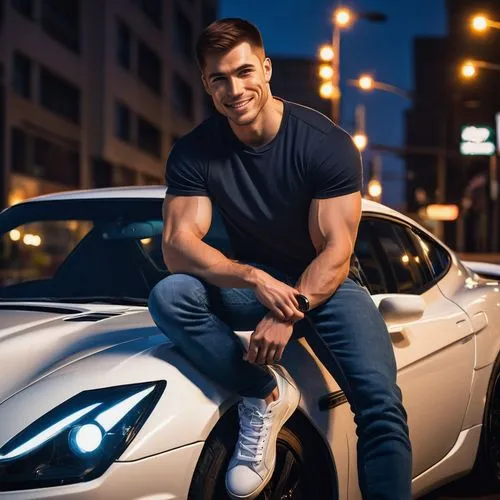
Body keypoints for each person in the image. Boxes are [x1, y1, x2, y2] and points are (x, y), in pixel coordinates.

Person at [148, 18, 412, 500]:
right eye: (219, 79)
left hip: (327, 289)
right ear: (206, 85)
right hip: (252, 286)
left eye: (245, 72)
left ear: (266, 69)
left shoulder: (323, 143)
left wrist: (287, 312)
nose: (235, 89)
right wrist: (253, 279)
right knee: (171, 294)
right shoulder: (195, 151)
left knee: (380, 406)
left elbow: (335, 250)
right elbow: (177, 246)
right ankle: (262, 392)